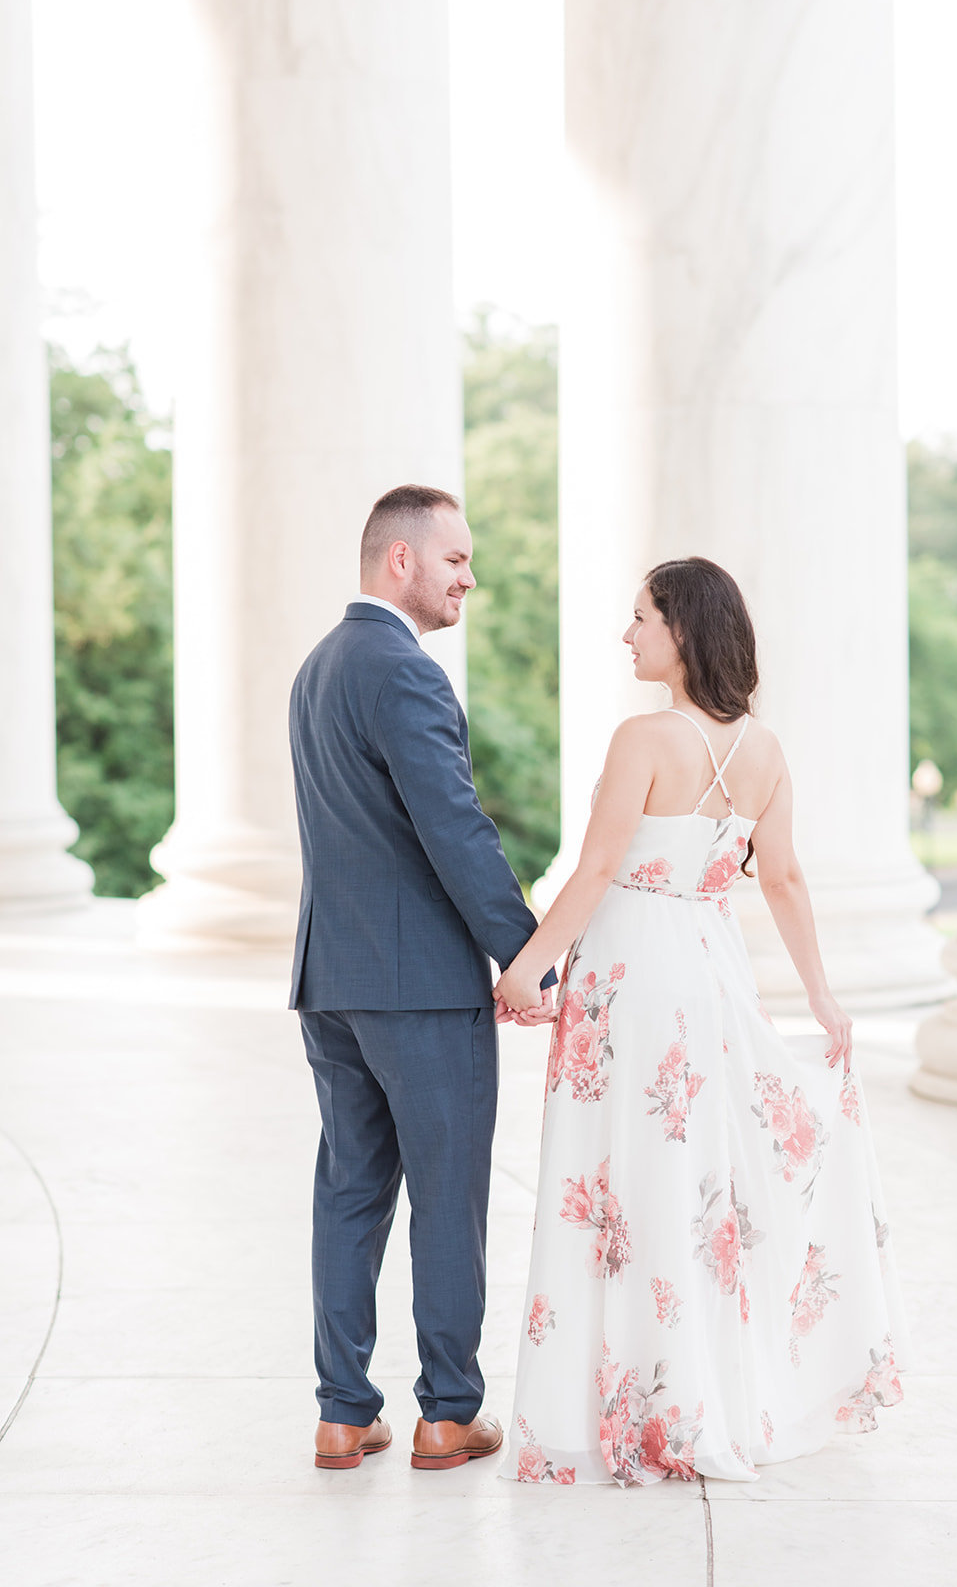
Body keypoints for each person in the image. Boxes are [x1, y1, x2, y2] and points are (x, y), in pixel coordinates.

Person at [495, 556, 906, 1486]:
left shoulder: (643, 737)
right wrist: (821, 997)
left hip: (634, 974)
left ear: (681, 629)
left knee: (626, 1187)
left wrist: (527, 969)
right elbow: (786, 880)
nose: (626, 633)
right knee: (696, 1189)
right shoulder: (763, 751)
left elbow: (596, 871)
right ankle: (699, 1403)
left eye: (639, 616)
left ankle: (635, 1414)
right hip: (713, 973)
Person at [289, 484, 555, 1474]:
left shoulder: (316, 669)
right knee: (449, 1196)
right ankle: (449, 1412)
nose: (469, 579)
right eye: (456, 559)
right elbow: (455, 829)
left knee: (351, 1190)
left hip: (333, 977)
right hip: (421, 985)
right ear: (399, 560)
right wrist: (525, 952)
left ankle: (341, 1413)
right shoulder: (403, 671)